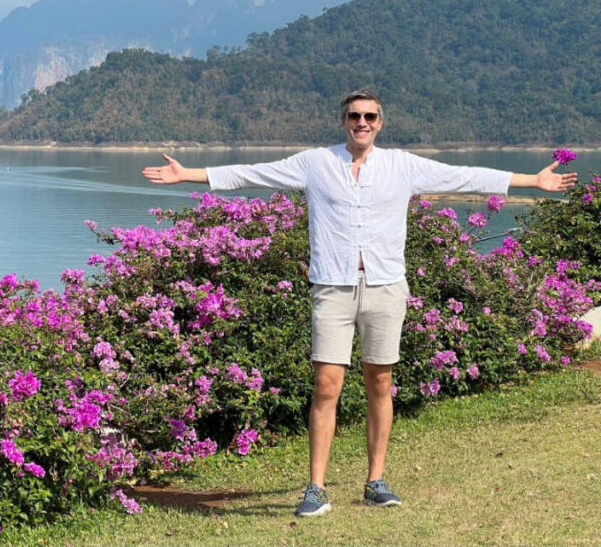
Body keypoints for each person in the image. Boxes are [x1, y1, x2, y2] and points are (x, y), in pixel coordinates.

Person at [141, 89, 577, 517]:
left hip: (386, 285)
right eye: (354, 116)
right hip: (332, 286)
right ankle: (315, 488)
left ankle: (376, 481)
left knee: (380, 382)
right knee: (326, 385)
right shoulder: (315, 163)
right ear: (344, 121)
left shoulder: (401, 166)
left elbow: (464, 175)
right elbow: (253, 173)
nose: (362, 123)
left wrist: (533, 182)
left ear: (380, 123)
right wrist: (190, 174)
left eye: (369, 116)